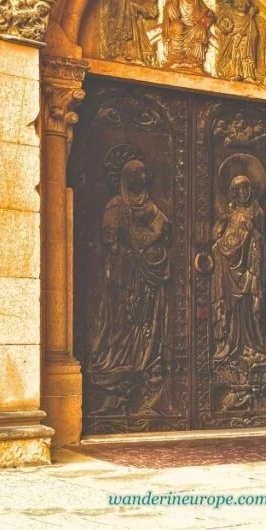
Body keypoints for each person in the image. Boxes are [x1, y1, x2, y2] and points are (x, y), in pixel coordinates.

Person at [88, 159, 171, 414]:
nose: (144, 177)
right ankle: (120, 376)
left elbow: (162, 222)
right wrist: (135, 246)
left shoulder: (147, 202)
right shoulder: (117, 205)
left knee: (145, 319)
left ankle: (145, 369)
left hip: (147, 271)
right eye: (139, 173)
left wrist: (147, 240)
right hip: (124, 275)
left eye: (145, 172)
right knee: (122, 320)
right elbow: (110, 241)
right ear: (128, 177)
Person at [211, 175, 266, 362]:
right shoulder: (230, 212)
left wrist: (251, 231)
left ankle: (250, 345)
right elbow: (218, 236)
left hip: (249, 268)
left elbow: (262, 242)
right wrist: (221, 224)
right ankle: (228, 343)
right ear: (233, 193)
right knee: (230, 309)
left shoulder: (257, 212)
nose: (242, 193)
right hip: (227, 270)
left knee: (246, 308)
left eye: (245, 188)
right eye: (238, 190)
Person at [162, 0, 215, 70]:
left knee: (201, 29)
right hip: (178, 26)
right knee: (177, 26)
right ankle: (176, 57)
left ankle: (195, 60)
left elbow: (208, 11)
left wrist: (209, 19)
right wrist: (173, 2)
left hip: (193, 27)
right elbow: (170, 10)